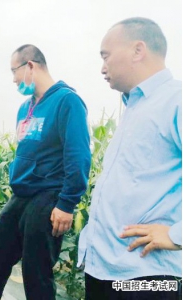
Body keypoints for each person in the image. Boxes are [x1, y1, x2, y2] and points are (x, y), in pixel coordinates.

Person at [77, 17, 182, 300]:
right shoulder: (135, 107)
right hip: (105, 270)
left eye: (106, 55)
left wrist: (176, 235)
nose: (102, 67)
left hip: (147, 278)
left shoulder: (176, 99)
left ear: (138, 50)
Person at [0, 44, 91, 300]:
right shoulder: (24, 108)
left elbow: (78, 155)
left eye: (14, 71)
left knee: (36, 271)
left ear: (30, 65)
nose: (13, 79)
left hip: (48, 196)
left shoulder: (67, 101)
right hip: (21, 195)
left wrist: (66, 203)